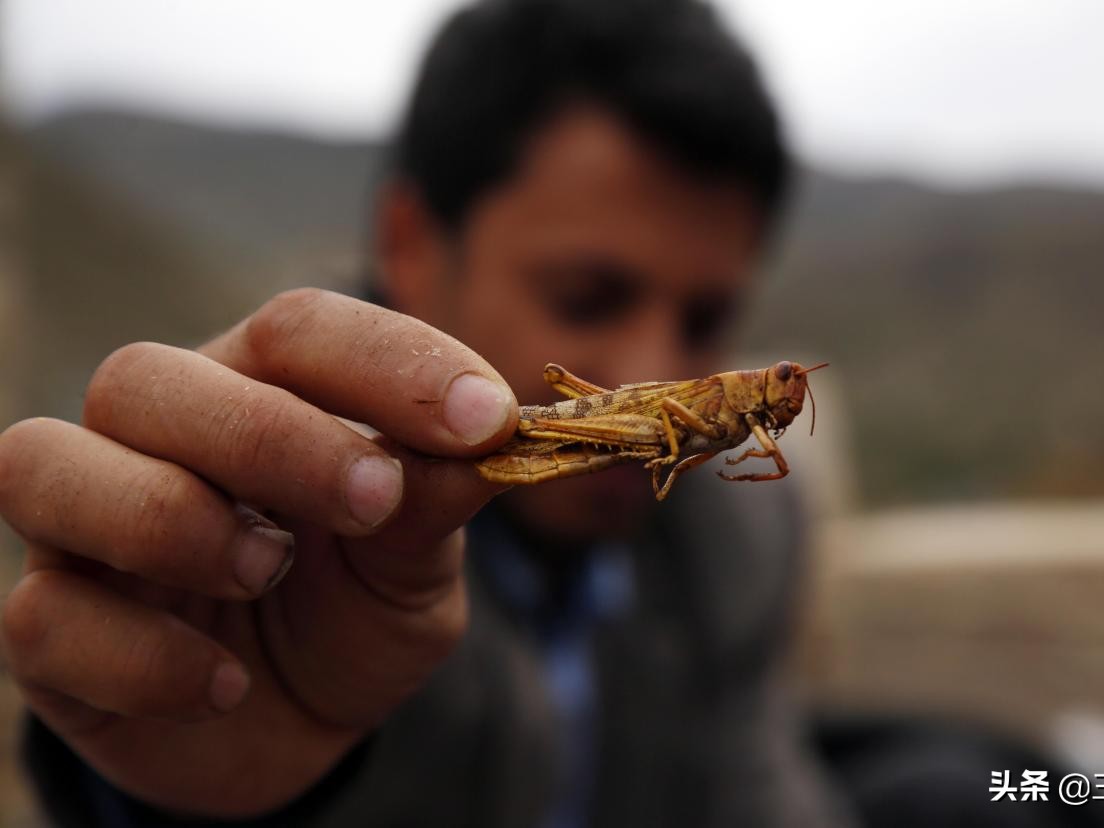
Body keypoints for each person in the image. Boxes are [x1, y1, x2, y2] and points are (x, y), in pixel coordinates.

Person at [0, 0, 849, 825]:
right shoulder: (288, 501)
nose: (653, 363)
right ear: (408, 244)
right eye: (586, 298)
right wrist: (199, 804)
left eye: (706, 321)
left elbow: (758, 794)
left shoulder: (745, 540)